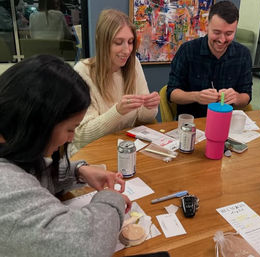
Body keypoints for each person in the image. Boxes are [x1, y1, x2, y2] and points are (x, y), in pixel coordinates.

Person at [0, 55, 131, 257]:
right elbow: (83, 247)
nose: (71, 139)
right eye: (70, 129)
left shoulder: (10, 145)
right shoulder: (5, 182)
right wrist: (112, 200)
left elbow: (32, 176)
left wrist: (78, 171)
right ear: (40, 124)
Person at [71, 9, 159, 154]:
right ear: (103, 43)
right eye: (118, 42)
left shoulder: (133, 63)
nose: (127, 50)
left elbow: (143, 118)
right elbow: (81, 136)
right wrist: (117, 111)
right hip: (90, 153)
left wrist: (150, 107)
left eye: (130, 42)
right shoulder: (82, 72)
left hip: (123, 149)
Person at [167, 0, 252, 118]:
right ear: (207, 26)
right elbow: (172, 93)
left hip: (226, 122)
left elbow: (247, 95)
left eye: (229, 33)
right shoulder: (187, 50)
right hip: (192, 123)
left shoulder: (243, 54)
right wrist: (196, 96)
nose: (222, 40)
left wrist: (237, 97)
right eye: (216, 32)